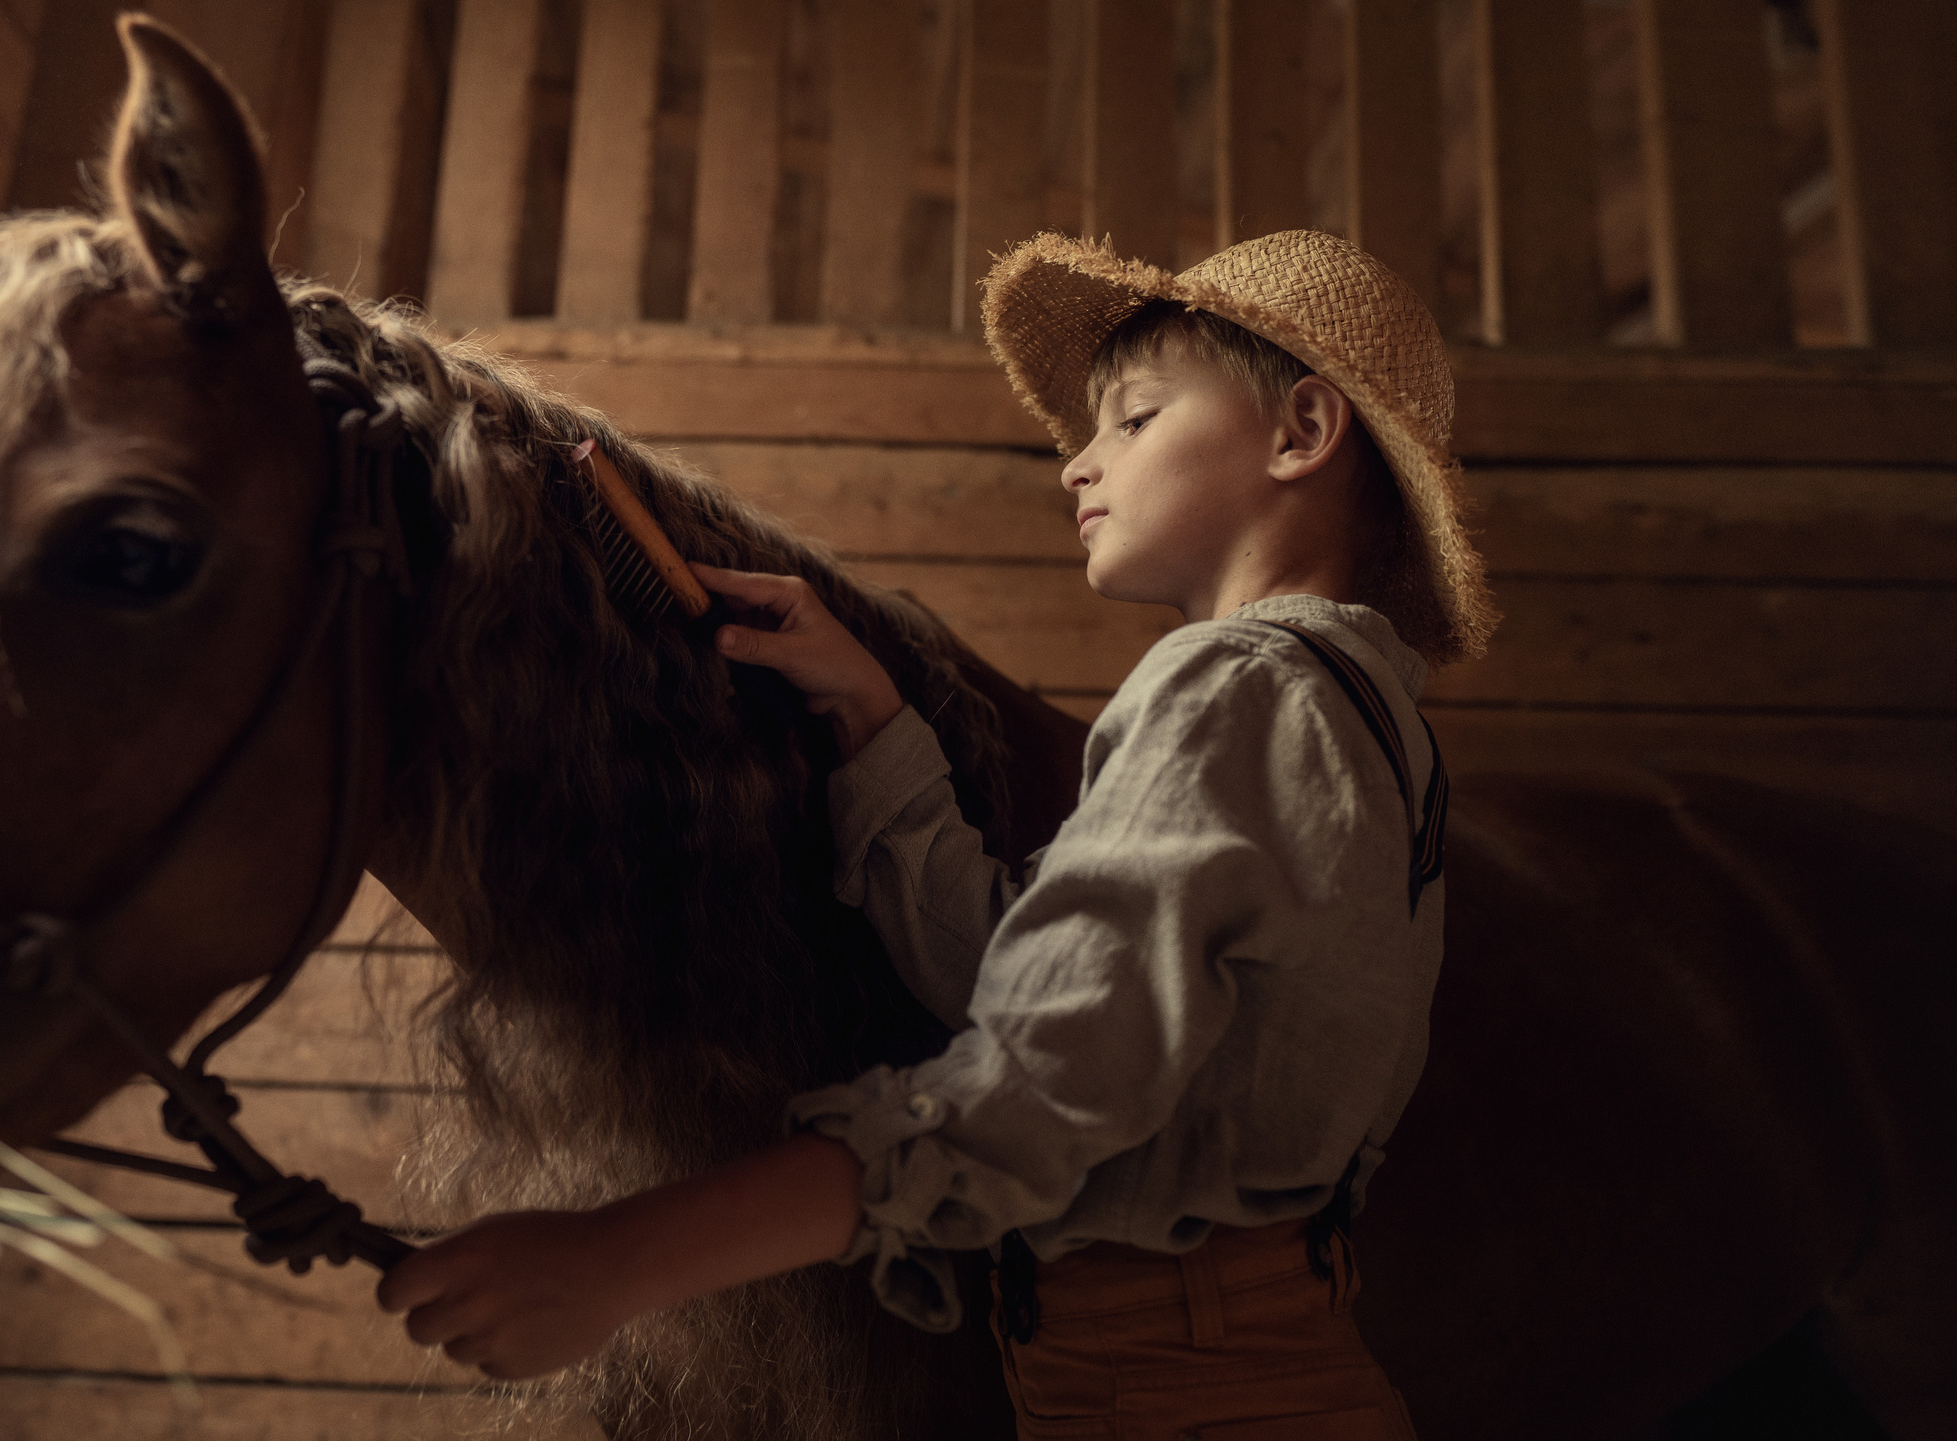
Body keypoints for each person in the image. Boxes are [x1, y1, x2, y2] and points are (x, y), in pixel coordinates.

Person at [377, 229, 1498, 1439]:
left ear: (1300, 432)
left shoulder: (1232, 688)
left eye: (1133, 419)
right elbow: (1032, 986)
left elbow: (1029, 1088)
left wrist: (617, 1259)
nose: (1079, 465)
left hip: (1184, 1395)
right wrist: (872, 712)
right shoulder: (1357, 717)